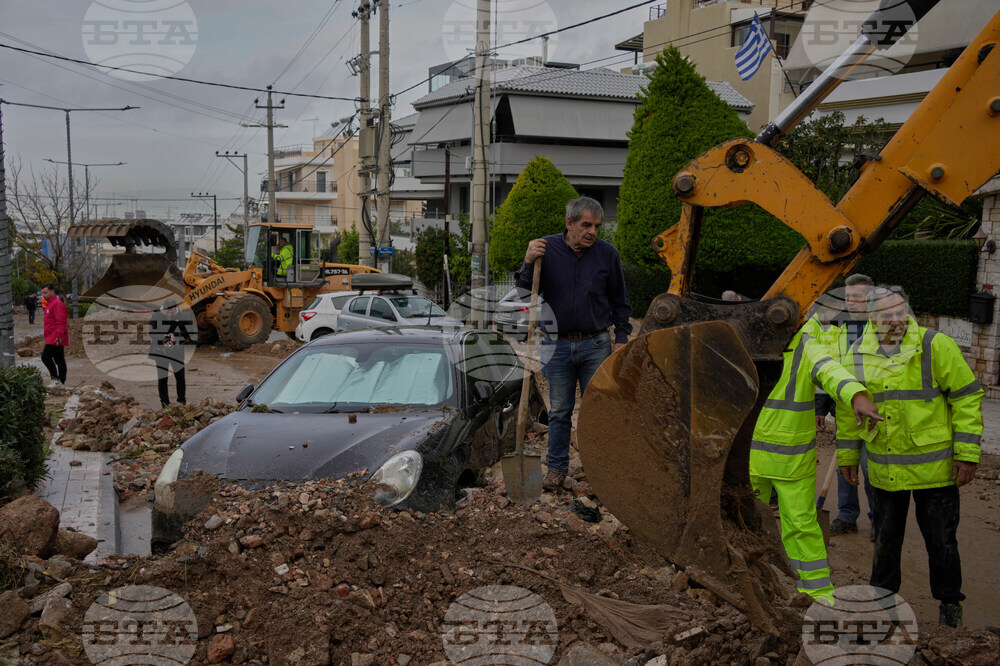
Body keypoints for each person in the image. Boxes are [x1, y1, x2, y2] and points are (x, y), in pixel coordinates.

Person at [836, 286, 983, 627]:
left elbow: (966, 399)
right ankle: (883, 604)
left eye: (901, 313)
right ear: (871, 317)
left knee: (942, 542)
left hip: (936, 469)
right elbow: (848, 413)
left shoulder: (935, 346)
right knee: (886, 541)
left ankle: (950, 604)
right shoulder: (857, 355)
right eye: (887, 315)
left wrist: (967, 453)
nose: (896, 321)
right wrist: (847, 456)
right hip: (886, 470)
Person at [750, 307, 882, 604]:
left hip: (783, 460)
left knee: (798, 526)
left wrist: (856, 395)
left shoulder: (805, 346)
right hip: (763, 458)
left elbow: (831, 371)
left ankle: (817, 597)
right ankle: (750, 592)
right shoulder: (752, 341)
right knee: (752, 525)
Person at [517, 196, 632, 491]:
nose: (592, 231)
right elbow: (523, 293)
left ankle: (601, 471)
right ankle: (556, 470)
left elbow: (621, 302)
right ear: (569, 223)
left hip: (597, 345)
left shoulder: (608, 254)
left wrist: (621, 339)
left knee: (599, 411)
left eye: (597, 226)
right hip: (556, 345)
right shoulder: (545, 250)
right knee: (559, 411)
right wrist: (528, 260)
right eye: (586, 225)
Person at [815, 274, 878, 540]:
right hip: (844, 409)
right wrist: (821, 405)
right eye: (848, 297)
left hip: (876, 412)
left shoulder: (883, 327)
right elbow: (829, 369)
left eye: (857, 298)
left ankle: (878, 520)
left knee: (872, 467)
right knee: (845, 465)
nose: (851, 302)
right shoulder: (837, 328)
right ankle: (847, 516)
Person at [148, 299, 196, 407]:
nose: (169, 315)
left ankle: (182, 401)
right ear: (164, 309)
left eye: (172, 312)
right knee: (162, 378)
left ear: (175, 309)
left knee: (180, 377)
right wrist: (164, 337)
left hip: (177, 352)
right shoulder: (156, 317)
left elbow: (189, 333)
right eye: (167, 312)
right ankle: (164, 403)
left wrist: (177, 336)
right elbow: (152, 333)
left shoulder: (182, 317)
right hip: (161, 352)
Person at [40, 283, 68, 388]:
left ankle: (56, 379)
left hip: (56, 337)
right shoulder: (49, 303)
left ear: (52, 291)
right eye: (43, 293)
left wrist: (59, 337)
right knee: (59, 359)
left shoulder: (57, 304)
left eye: (46, 292)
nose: (44, 295)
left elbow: (61, 322)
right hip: (51, 336)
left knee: (45, 357)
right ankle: (61, 381)